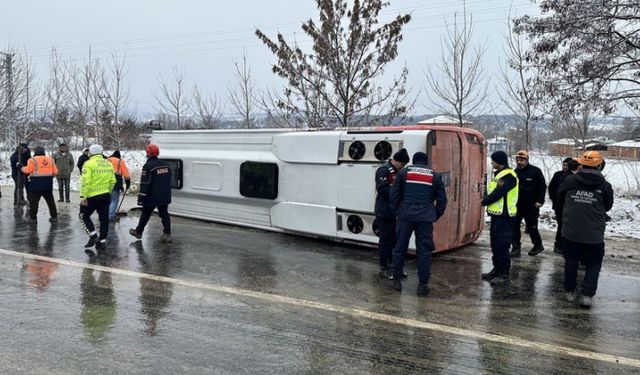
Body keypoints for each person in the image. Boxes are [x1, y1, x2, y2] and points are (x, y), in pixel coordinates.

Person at [557, 151, 613, 308]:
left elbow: (559, 197)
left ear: (581, 164)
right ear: (599, 165)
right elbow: (608, 206)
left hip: (570, 231)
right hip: (593, 234)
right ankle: (587, 295)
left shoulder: (569, 181)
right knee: (594, 264)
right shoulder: (605, 186)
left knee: (571, 261)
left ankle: (569, 291)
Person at [388, 152, 447, 296]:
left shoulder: (403, 173)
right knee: (424, 252)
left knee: (399, 248)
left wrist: (397, 211)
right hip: (425, 219)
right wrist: (434, 215)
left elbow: (394, 195)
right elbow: (442, 201)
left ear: (413, 161)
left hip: (405, 216)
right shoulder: (435, 175)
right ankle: (422, 285)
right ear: (426, 162)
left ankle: (396, 280)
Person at [481, 150, 519, 286]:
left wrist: (483, 201)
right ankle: (496, 269)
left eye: (493, 161)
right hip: (497, 216)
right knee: (495, 244)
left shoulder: (509, 176)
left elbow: (498, 193)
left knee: (502, 246)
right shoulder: (499, 175)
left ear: (499, 161)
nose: (492, 163)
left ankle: (504, 274)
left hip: (506, 217)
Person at [374, 148, 409, 279]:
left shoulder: (398, 172)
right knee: (386, 241)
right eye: (402, 164)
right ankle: (384, 268)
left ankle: (395, 267)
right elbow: (382, 190)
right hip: (384, 212)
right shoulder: (384, 170)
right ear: (395, 161)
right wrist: (397, 193)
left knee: (395, 241)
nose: (403, 167)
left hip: (395, 212)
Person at [129, 144, 173, 243]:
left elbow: (145, 183)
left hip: (151, 196)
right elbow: (169, 178)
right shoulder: (166, 165)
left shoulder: (148, 166)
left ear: (148, 153)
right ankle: (167, 234)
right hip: (164, 195)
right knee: (164, 214)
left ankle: (138, 232)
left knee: (145, 214)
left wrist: (141, 197)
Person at [80, 144, 116, 251]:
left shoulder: (88, 163)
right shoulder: (108, 163)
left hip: (91, 196)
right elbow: (113, 180)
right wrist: (108, 192)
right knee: (104, 218)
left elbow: (85, 181)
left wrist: (83, 196)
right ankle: (102, 241)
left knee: (83, 216)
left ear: (91, 152)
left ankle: (93, 236)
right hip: (105, 195)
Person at [511, 150, 547, 257]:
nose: (519, 162)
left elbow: (542, 186)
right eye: (518, 160)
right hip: (517, 205)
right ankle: (516, 248)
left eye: (522, 160)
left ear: (527, 160)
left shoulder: (535, 171)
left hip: (531, 205)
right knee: (514, 226)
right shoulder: (515, 172)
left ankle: (538, 245)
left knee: (531, 227)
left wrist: (540, 200)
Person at [548, 157, 579, 254]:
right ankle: (559, 245)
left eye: (566, 165)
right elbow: (552, 188)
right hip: (560, 204)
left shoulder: (574, 176)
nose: (564, 167)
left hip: (566, 205)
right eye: (563, 165)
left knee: (565, 226)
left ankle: (563, 245)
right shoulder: (561, 175)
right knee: (561, 225)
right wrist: (554, 200)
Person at [20, 146, 58, 222]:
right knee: (50, 201)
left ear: (35, 152)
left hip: (36, 185)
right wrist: (48, 177)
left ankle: (33, 218)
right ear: (43, 152)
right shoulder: (51, 160)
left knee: (34, 202)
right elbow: (55, 172)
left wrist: (21, 167)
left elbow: (27, 170)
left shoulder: (32, 160)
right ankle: (54, 217)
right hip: (48, 184)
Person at [107, 150, 131, 222]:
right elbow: (126, 174)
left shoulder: (106, 160)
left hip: (104, 182)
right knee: (114, 200)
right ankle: (111, 216)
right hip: (115, 182)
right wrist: (128, 183)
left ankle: (104, 215)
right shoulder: (120, 161)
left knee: (107, 200)